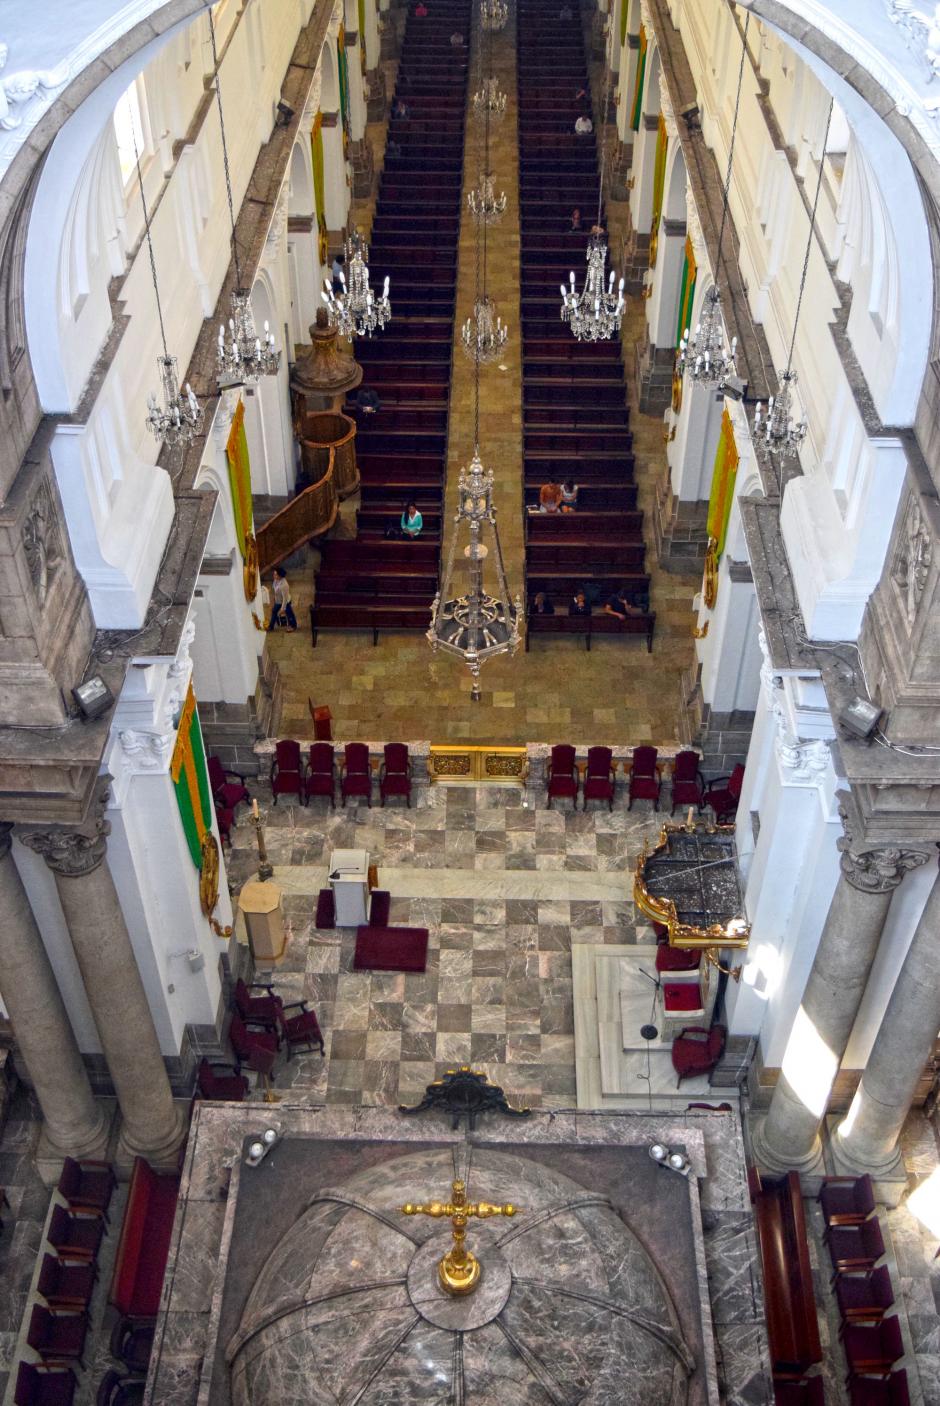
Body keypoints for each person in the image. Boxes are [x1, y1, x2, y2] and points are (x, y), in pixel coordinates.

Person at [268, 567, 297, 632]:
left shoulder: (284, 585)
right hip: (278, 601)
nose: (273, 575)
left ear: (280, 576)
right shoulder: (276, 580)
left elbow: (285, 599)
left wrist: (282, 609)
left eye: (275, 574)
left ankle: (293, 626)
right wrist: (274, 598)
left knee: (289, 614)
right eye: (274, 574)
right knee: (274, 611)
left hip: (286, 602)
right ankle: (271, 626)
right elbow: (275, 588)